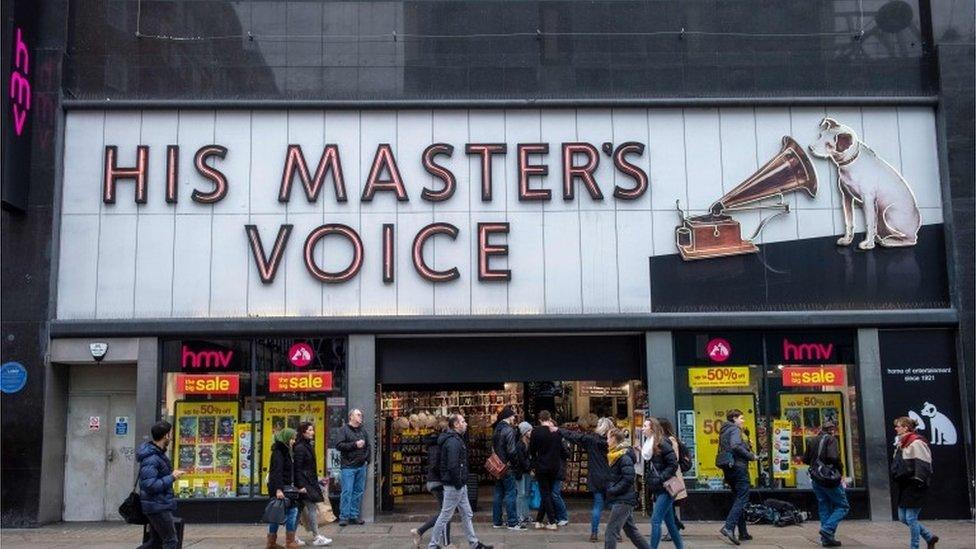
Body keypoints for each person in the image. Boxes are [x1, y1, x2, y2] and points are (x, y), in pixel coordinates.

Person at [427, 413, 493, 549]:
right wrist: (458, 482)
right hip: (454, 485)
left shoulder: (455, 439)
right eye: (463, 421)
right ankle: (433, 545)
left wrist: (461, 482)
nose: (466, 424)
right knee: (445, 515)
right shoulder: (453, 442)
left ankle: (474, 543)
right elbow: (452, 465)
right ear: (456, 425)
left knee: (467, 513)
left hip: (459, 484)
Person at [561, 416, 613, 542]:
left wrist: (558, 430)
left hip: (595, 475)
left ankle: (594, 534)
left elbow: (574, 436)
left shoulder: (592, 440)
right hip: (611, 476)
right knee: (616, 506)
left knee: (597, 506)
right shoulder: (614, 441)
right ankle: (616, 532)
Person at [891, 416, 939, 549]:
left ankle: (915, 546)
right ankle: (929, 537)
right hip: (904, 484)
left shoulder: (916, 442)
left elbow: (924, 464)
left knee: (911, 518)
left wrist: (919, 480)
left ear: (906, 427)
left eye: (898, 426)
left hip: (914, 484)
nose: (896, 428)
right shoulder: (901, 443)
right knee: (902, 517)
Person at [136, 421, 184, 549]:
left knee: (155, 542)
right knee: (171, 541)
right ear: (165, 436)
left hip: (157, 504)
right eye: (171, 433)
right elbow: (150, 485)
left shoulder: (158, 454)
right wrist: (172, 477)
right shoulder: (152, 458)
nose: (172, 436)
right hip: (157, 506)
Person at [801, 420, 847, 547]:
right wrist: (840, 470)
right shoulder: (831, 440)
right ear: (832, 430)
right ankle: (827, 529)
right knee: (842, 506)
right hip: (829, 478)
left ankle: (826, 539)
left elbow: (805, 460)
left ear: (821, 428)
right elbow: (833, 457)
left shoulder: (812, 440)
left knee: (824, 505)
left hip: (816, 478)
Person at [603, 428, 650, 549]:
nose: (606, 440)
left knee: (610, 531)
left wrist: (613, 490)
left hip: (623, 499)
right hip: (623, 498)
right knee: (631, 531)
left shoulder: (623, 456)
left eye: (608, 437)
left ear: (614, 438)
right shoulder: (616, 455)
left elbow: (628, 478)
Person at [641, 418, 684, 549]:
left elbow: (673, 464)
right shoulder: (648, 444)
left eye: (645, 426)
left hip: (666, 488)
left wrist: (660, 479)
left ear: (652, 428)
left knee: (655, 520)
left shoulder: (662, 443)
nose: (642, 428)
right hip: (658, 488)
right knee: (670, 523)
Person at [718, 409, 756, 546]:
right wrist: (750, 455)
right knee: (743, 498)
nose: (743, 420)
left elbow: (731, 447)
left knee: (737, 498)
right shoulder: (734, 429)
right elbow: (734, 446)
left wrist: (746, 445)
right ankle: (728, 527)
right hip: (739, 468)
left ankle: (743, 532)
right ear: (734, 418)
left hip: (729, 469)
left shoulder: (724, 430)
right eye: (741, 418)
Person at [411, 417, 451, 548]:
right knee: (445, 513)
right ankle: (444, 542)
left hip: (435, 481)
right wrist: (444, 478)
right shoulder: (438, 444)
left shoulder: (435, 442)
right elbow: (435, 465)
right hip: (438, 482)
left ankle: (422, 532)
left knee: (445, 512)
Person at [294, 422, 333, 546]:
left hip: (309, 482)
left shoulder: (307, 445)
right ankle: (316, 537)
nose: (312, 432)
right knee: (311, 508)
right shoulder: (300, 448)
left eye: (312, 430)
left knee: (299, 510)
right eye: (310, 430)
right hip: (305, 485)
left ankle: (292, 536)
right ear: (303, 432)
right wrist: (301, 486)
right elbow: (298, 468)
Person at [268, 427, 303, 549]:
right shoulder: (279, 452)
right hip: (281, 487)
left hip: (285, 487)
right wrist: (278, 489)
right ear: (287, 438)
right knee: (291, 512)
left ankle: (272, 543)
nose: (294, 441)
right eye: (292, 438)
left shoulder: (286, 450)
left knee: (276, 514)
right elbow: (276, 472)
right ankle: (289, 542)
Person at [490, 406, 524, 530]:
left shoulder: (496, 429)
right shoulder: (508, 430)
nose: (514, 418)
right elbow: (511, 451)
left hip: (497, 465)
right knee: (511, 493)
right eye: (513, 416)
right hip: (507, 466)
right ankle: (512, 522)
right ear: (508, 417)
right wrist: (515, 464)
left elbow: (493, 448)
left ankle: (497, 521)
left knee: (498, 493)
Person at [529, 410, 563, 530]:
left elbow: (531, 450)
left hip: (541, 466)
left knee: (545, 493)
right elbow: (562, 449)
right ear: (550, 418)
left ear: (539, 419)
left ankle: (552, 521)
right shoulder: (556, 431)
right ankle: (539, 520)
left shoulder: (536, 432)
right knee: (546, 493)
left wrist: (533, 465)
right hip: (554, 466)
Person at [335, 409, 370, 527]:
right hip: (348, 467)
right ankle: (344, 517)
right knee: (347, 491)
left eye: (361, 415)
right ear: (351, 417)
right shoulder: (343, 430)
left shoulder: (363, 430)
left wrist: (366, 459)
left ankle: (354, 515)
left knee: (358, 491)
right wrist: (355, 444)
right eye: (358, 414)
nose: (361, 416)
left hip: (361, 466)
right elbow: (339, 445)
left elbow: (368, 446)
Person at [658, 419, 686, 540]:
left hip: (671, 477)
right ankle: (675, 526)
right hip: (667, 476)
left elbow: (673, 459)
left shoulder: (670, 440)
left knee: (667, 505)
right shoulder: (664, 440)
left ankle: (674, 528)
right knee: (667, 505)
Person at [514, 421, 534, 526]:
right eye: (529, 430)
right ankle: (519, 515)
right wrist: (530, 469)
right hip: (521, 472)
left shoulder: (528, 444)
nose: (531, 432)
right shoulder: (520, 445)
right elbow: (522, 460)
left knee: (526, 494)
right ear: (524, 432)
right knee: (521, 494)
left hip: (526, 472)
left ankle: (525, 515)